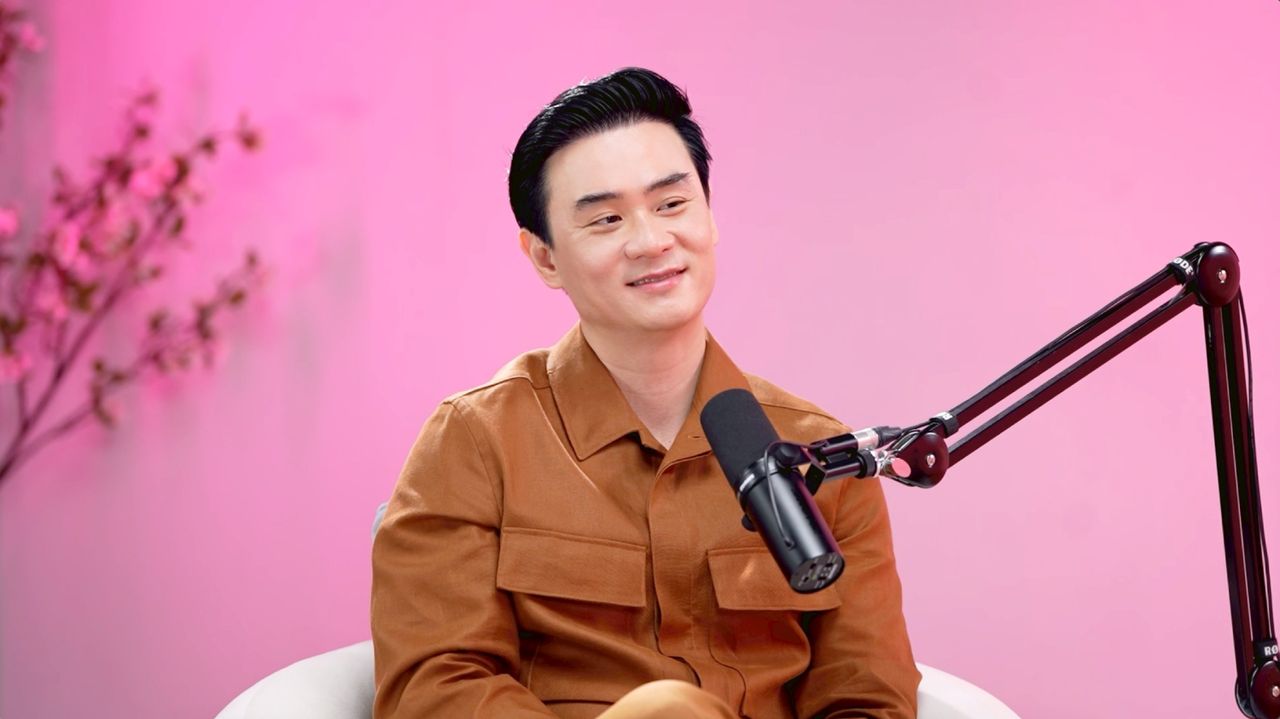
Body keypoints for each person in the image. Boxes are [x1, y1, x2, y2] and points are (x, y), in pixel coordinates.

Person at [371, 67, 920, 719]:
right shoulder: (475, 441)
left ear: (710, 217)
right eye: (606, 219)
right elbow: (435, 686)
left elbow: (867, 692)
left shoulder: (819, 453)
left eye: (672, 205)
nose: (652, 241)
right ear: (545, 257)